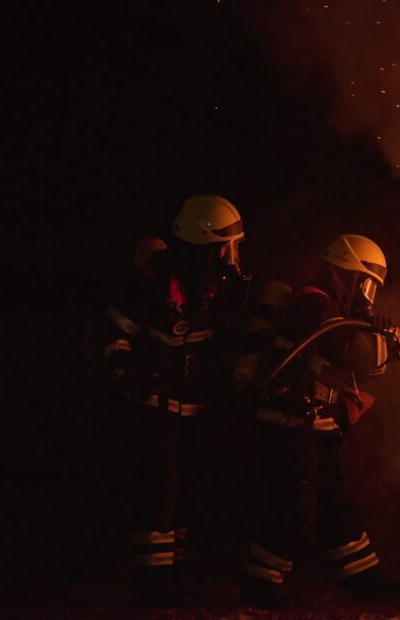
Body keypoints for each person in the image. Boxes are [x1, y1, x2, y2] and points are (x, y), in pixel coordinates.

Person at [241, 234, 400, 608]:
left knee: (336, 505)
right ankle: (259, 583)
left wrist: (385, 338)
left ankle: (364, 578)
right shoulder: (312, 303)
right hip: (289, 424)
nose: (368, 296)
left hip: (315, 424)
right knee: (296, 507)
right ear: (350, 276)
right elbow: (356, 352)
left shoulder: (331, 309)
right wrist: (397, 346)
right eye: (366, 285)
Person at [101, 194, 251, 604]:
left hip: (195, 409)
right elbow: (114, 334)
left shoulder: (214, 288)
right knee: (159, 493)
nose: (231, 257)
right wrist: (124, 370)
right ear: (204, 245)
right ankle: (151, 583)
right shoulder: (151, 284)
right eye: (225, 247)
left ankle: (172, 573)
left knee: (187, 493)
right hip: (156, 407)